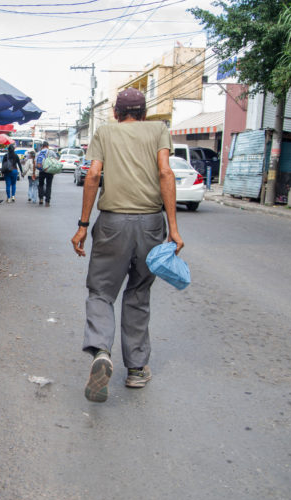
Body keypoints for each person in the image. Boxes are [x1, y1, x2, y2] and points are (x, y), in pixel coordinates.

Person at [70, 88, 184, 402]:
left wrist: (82, 225)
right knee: (138, 292)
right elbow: (165, 172)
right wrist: (174, 229)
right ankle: (135, 369)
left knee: (101, 292)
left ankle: (101, 352)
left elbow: (93, 175)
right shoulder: (159, 130)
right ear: (144, 113)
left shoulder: (105, 133)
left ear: (116, 114)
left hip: (112, 224)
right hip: (151, 224)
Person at [35, 141, 58, 206]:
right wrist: (54, 171)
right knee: (48, 186)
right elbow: (56, 160)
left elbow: (35, 162)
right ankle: (47, 201)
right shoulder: (52, 152)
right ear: (48, 146)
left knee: (41, 185)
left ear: (42, 146)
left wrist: (35, 171)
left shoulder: (39, 153)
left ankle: (41, 199)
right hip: (49, 171)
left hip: (42, 171)